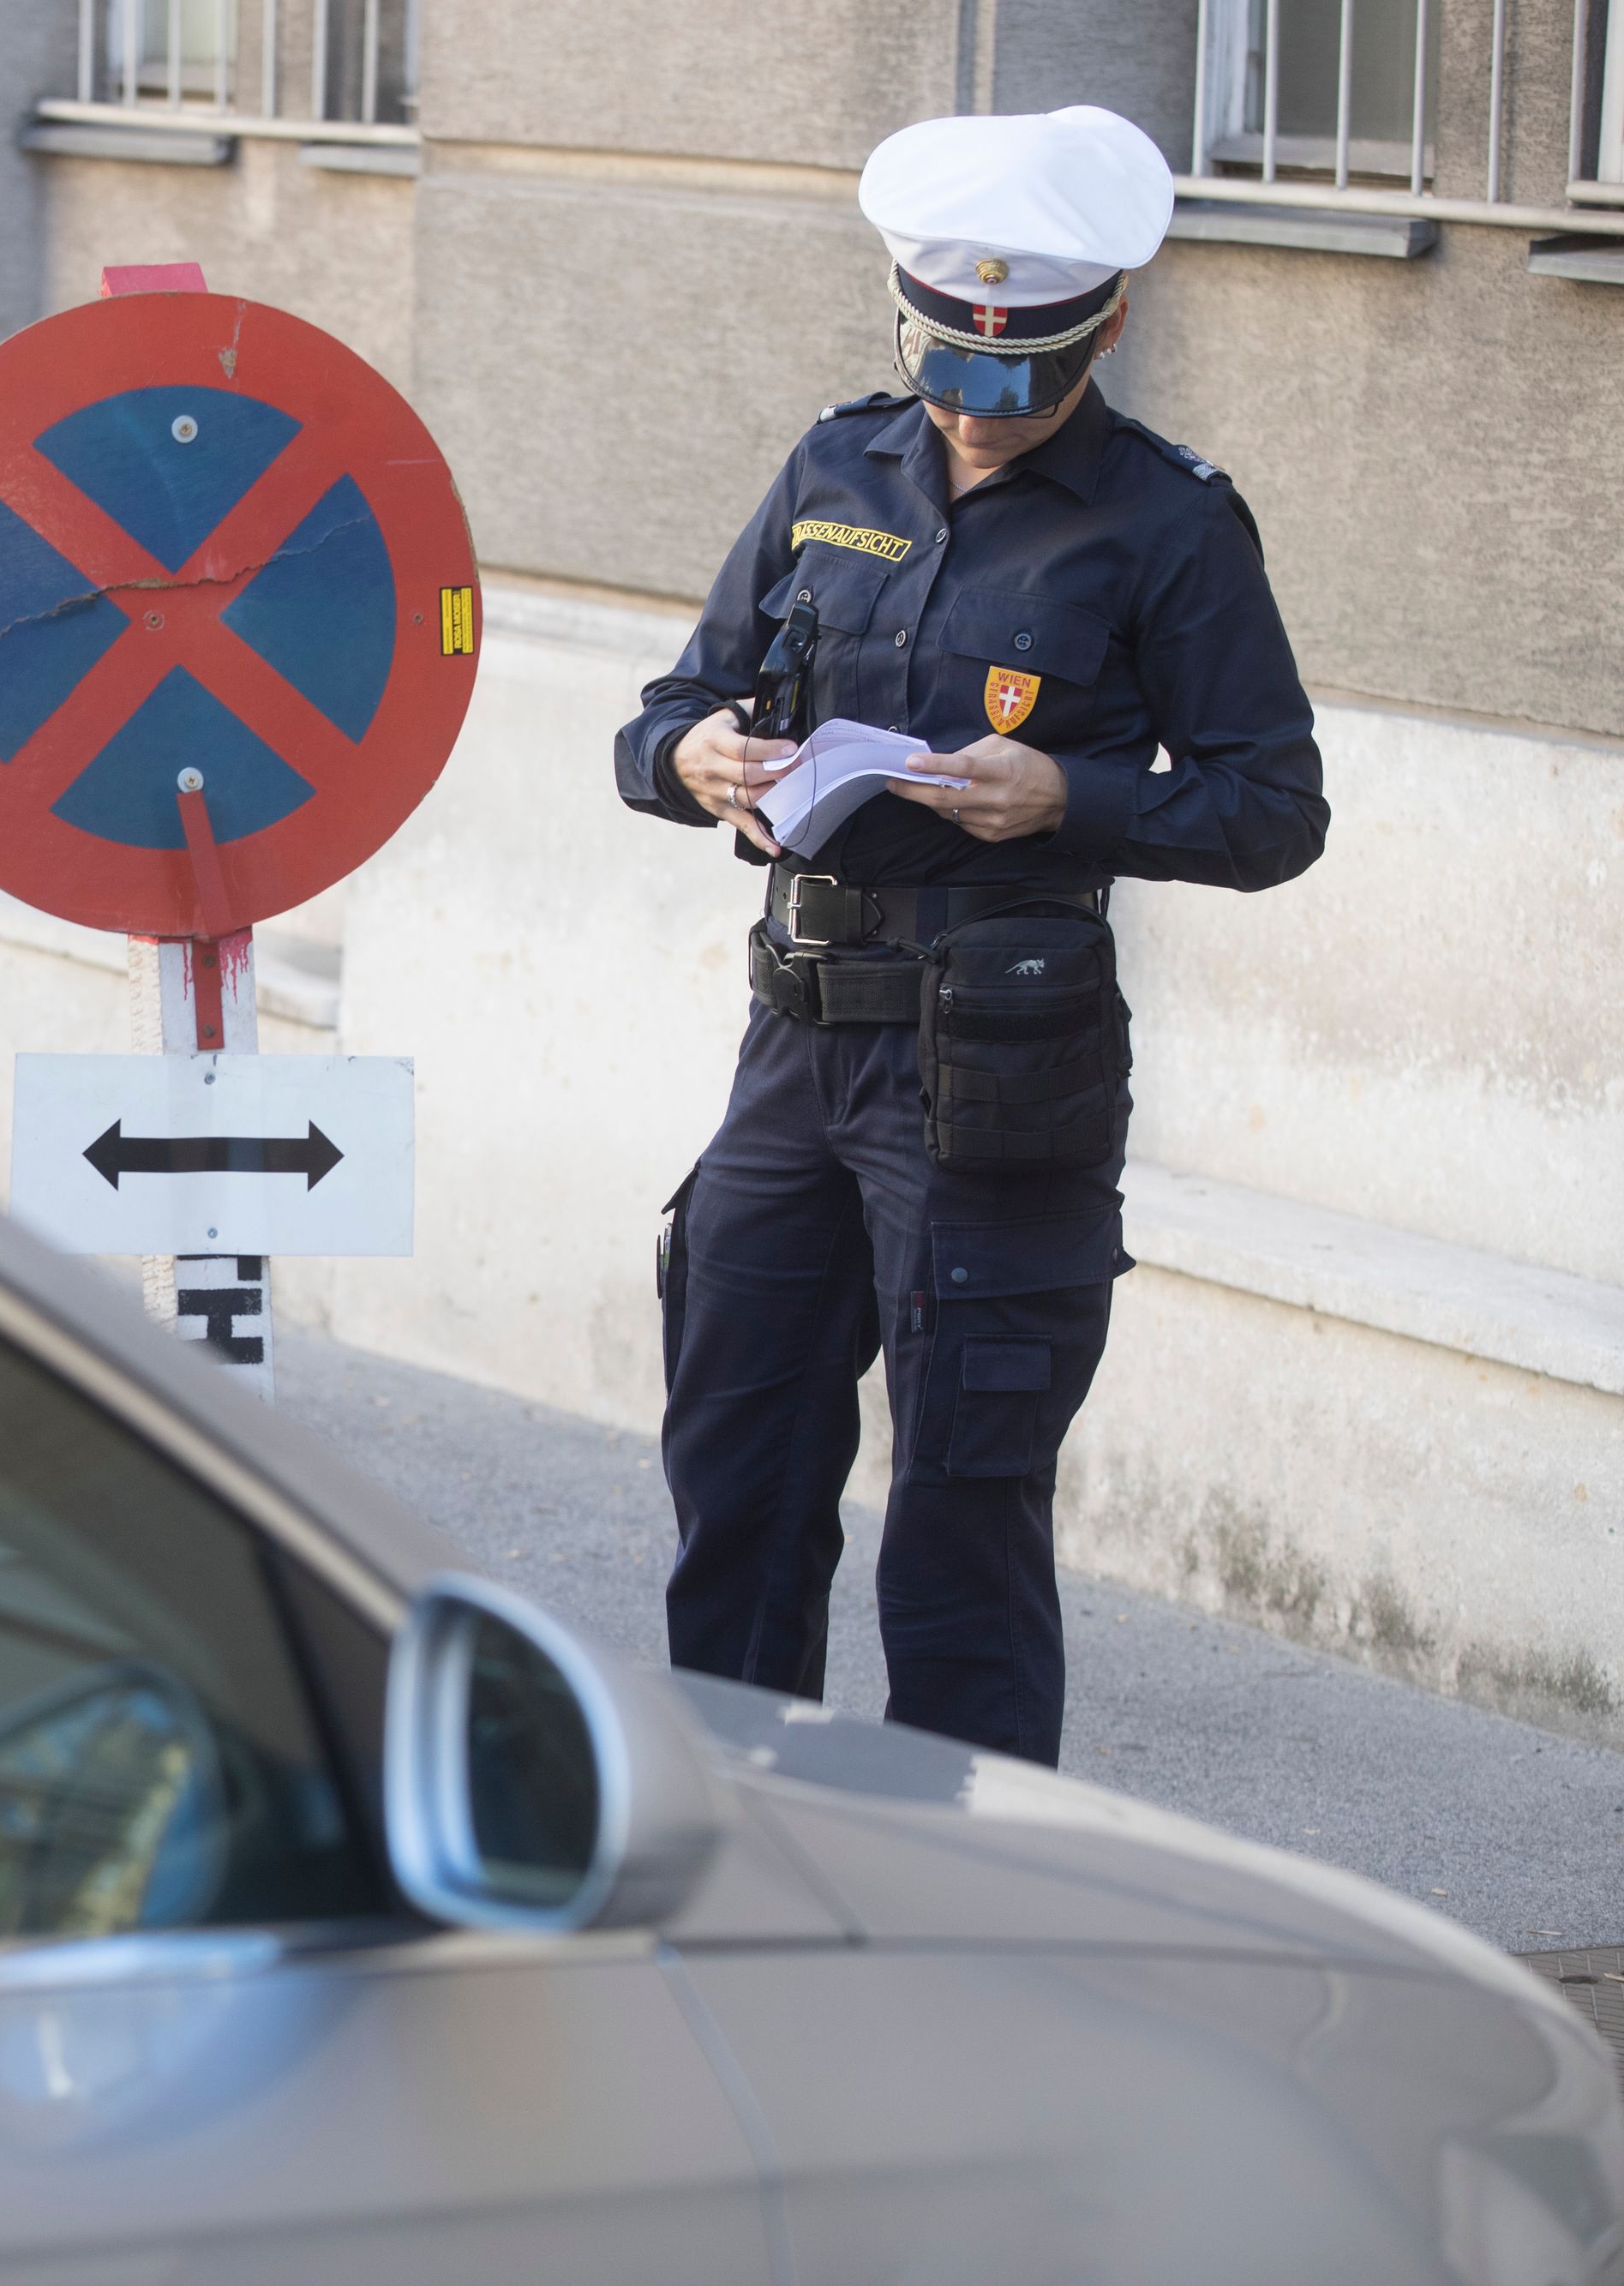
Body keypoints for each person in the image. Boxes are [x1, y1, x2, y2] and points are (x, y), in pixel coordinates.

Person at [614, 106, 1327, 1765]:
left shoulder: (1169, 524)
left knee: (964, 1513)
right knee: (736, 1479)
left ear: (1106, 329)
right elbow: (673, 702)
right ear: (905, 321)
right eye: (946, 365)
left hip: (996, 1070)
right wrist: (690, 758)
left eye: (1019, 376)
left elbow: (1273, 809)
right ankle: (738, 1834)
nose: (974, 407)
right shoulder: (835, 466)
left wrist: (1071, 798)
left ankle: (973, 1882)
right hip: (796, 1050)